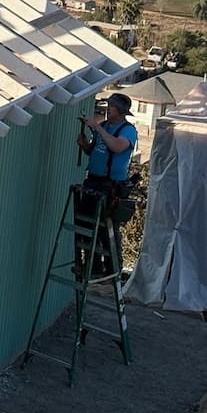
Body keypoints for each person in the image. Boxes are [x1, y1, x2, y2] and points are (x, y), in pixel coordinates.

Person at [75, 92, 138, 276]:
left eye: (111, 107)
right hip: (93, 182)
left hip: (110, 186)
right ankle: (92, 266)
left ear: (120, 111)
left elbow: (117, 147)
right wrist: (85, 145)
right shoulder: (104, 126)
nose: (108, 110)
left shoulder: (127, 130)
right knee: (87, 225)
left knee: (106, 229)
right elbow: (94, 151)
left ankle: (112, 269)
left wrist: (98, 128)